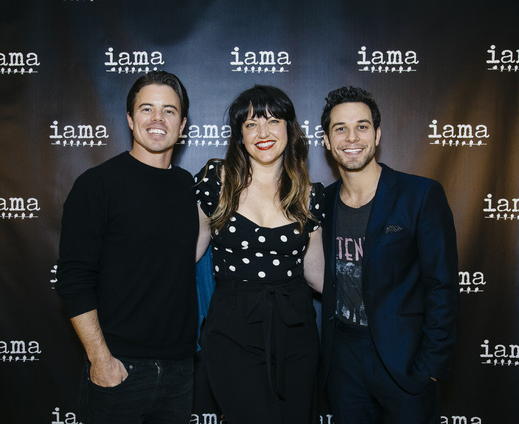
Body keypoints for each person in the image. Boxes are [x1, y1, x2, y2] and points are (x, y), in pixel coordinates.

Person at [56, 71, 199, 424]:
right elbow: (74, 280)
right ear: (130, 119)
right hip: (118, 367)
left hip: (180, 370)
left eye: (169, 111)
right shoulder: (97, 185)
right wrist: (100, 359)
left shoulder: (186, 186)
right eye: (147, 108)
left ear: (182, 125)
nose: (157, 119)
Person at [319, 86, 459, 423]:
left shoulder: (420, 195)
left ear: (377, 134)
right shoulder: (321, 202)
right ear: (326, 140)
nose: (351, 137)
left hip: (405, 361)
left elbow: (442, 285)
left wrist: (430, 367)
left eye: (362, 126)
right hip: (344, 361)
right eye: (340, 128)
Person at [194, 85, 325, 424]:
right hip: (232, 328)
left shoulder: (310, 194)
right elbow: (189, 253)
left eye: (273, 121)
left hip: (296, 327)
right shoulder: (216, 181)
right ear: (240, 134)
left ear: (289, 129)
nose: (263, 133)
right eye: (251, 124)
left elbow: (316, 274)